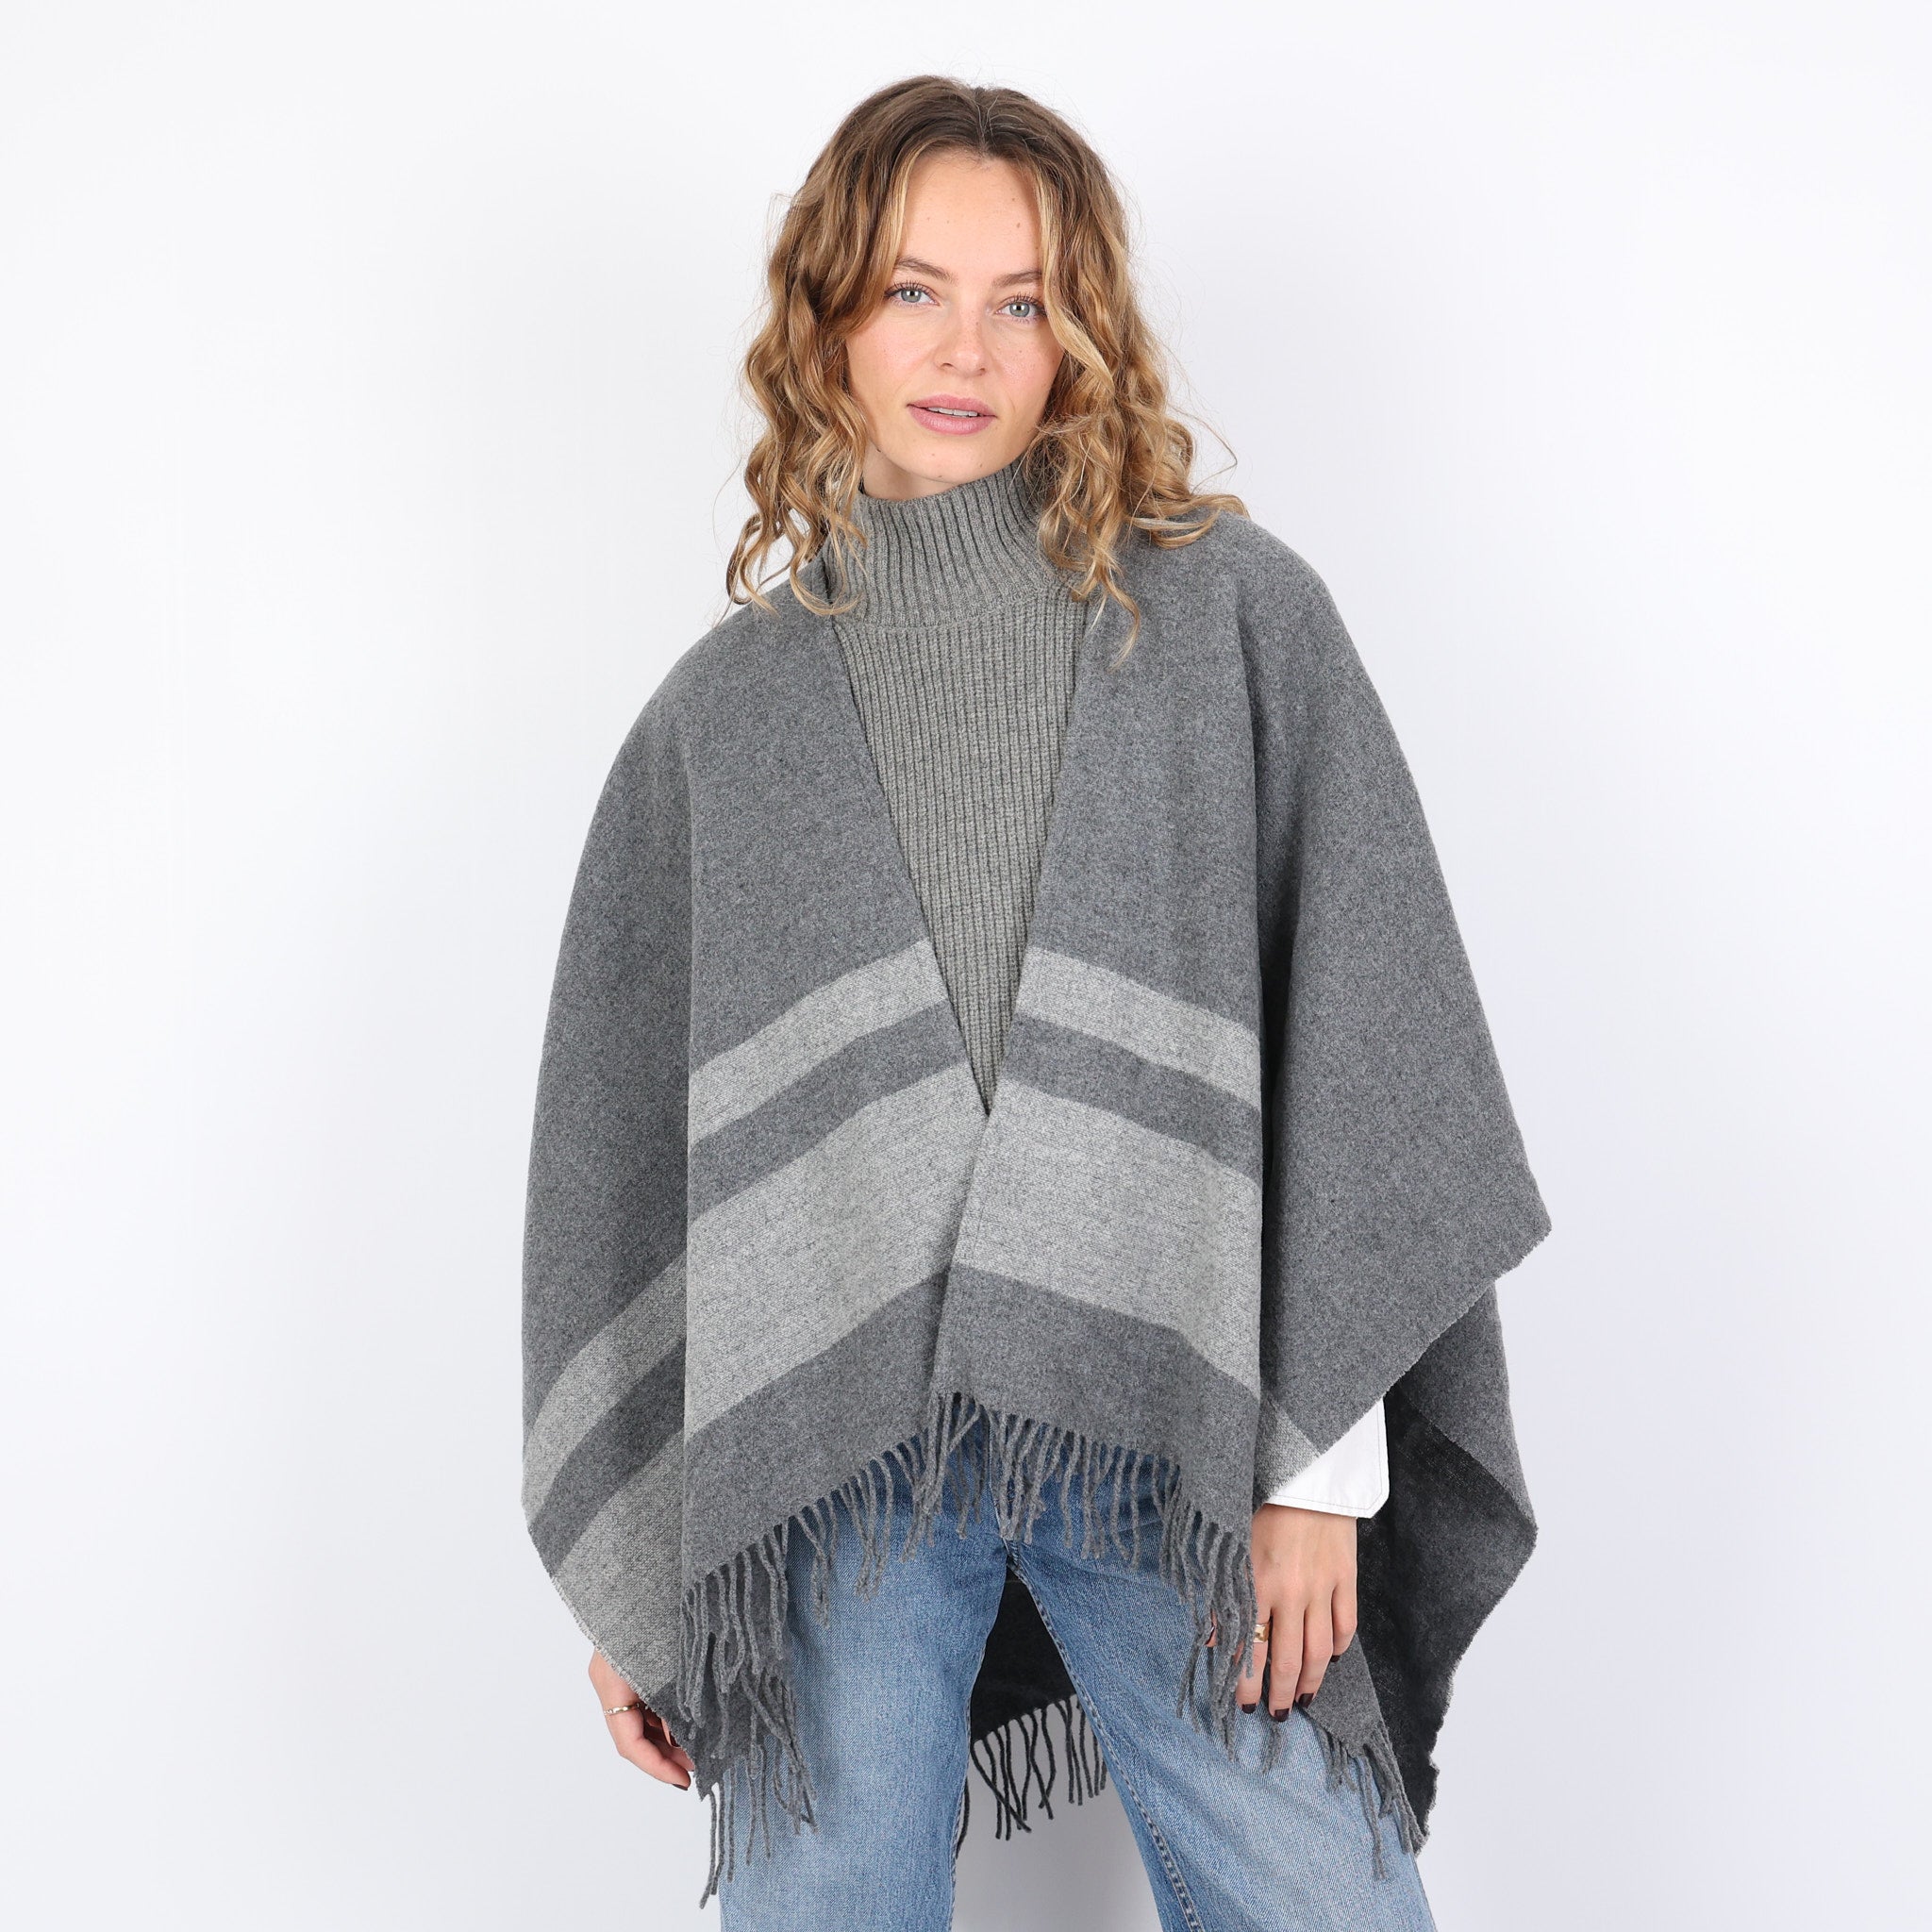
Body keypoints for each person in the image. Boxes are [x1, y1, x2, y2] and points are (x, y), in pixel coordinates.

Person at [525, 74, 1547, 1932]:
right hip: (837, 1460)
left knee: (1326, 1898)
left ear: (1081, 336)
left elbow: (1358, 1029)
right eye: (913, 290)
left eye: (1024, 300)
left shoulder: (1227, 617)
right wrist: (654, 1572)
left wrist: (1318, 1474)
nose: (966, 349)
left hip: (1169, 1419)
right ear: (827, 319)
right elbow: (623, 1153)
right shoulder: (724, 719)